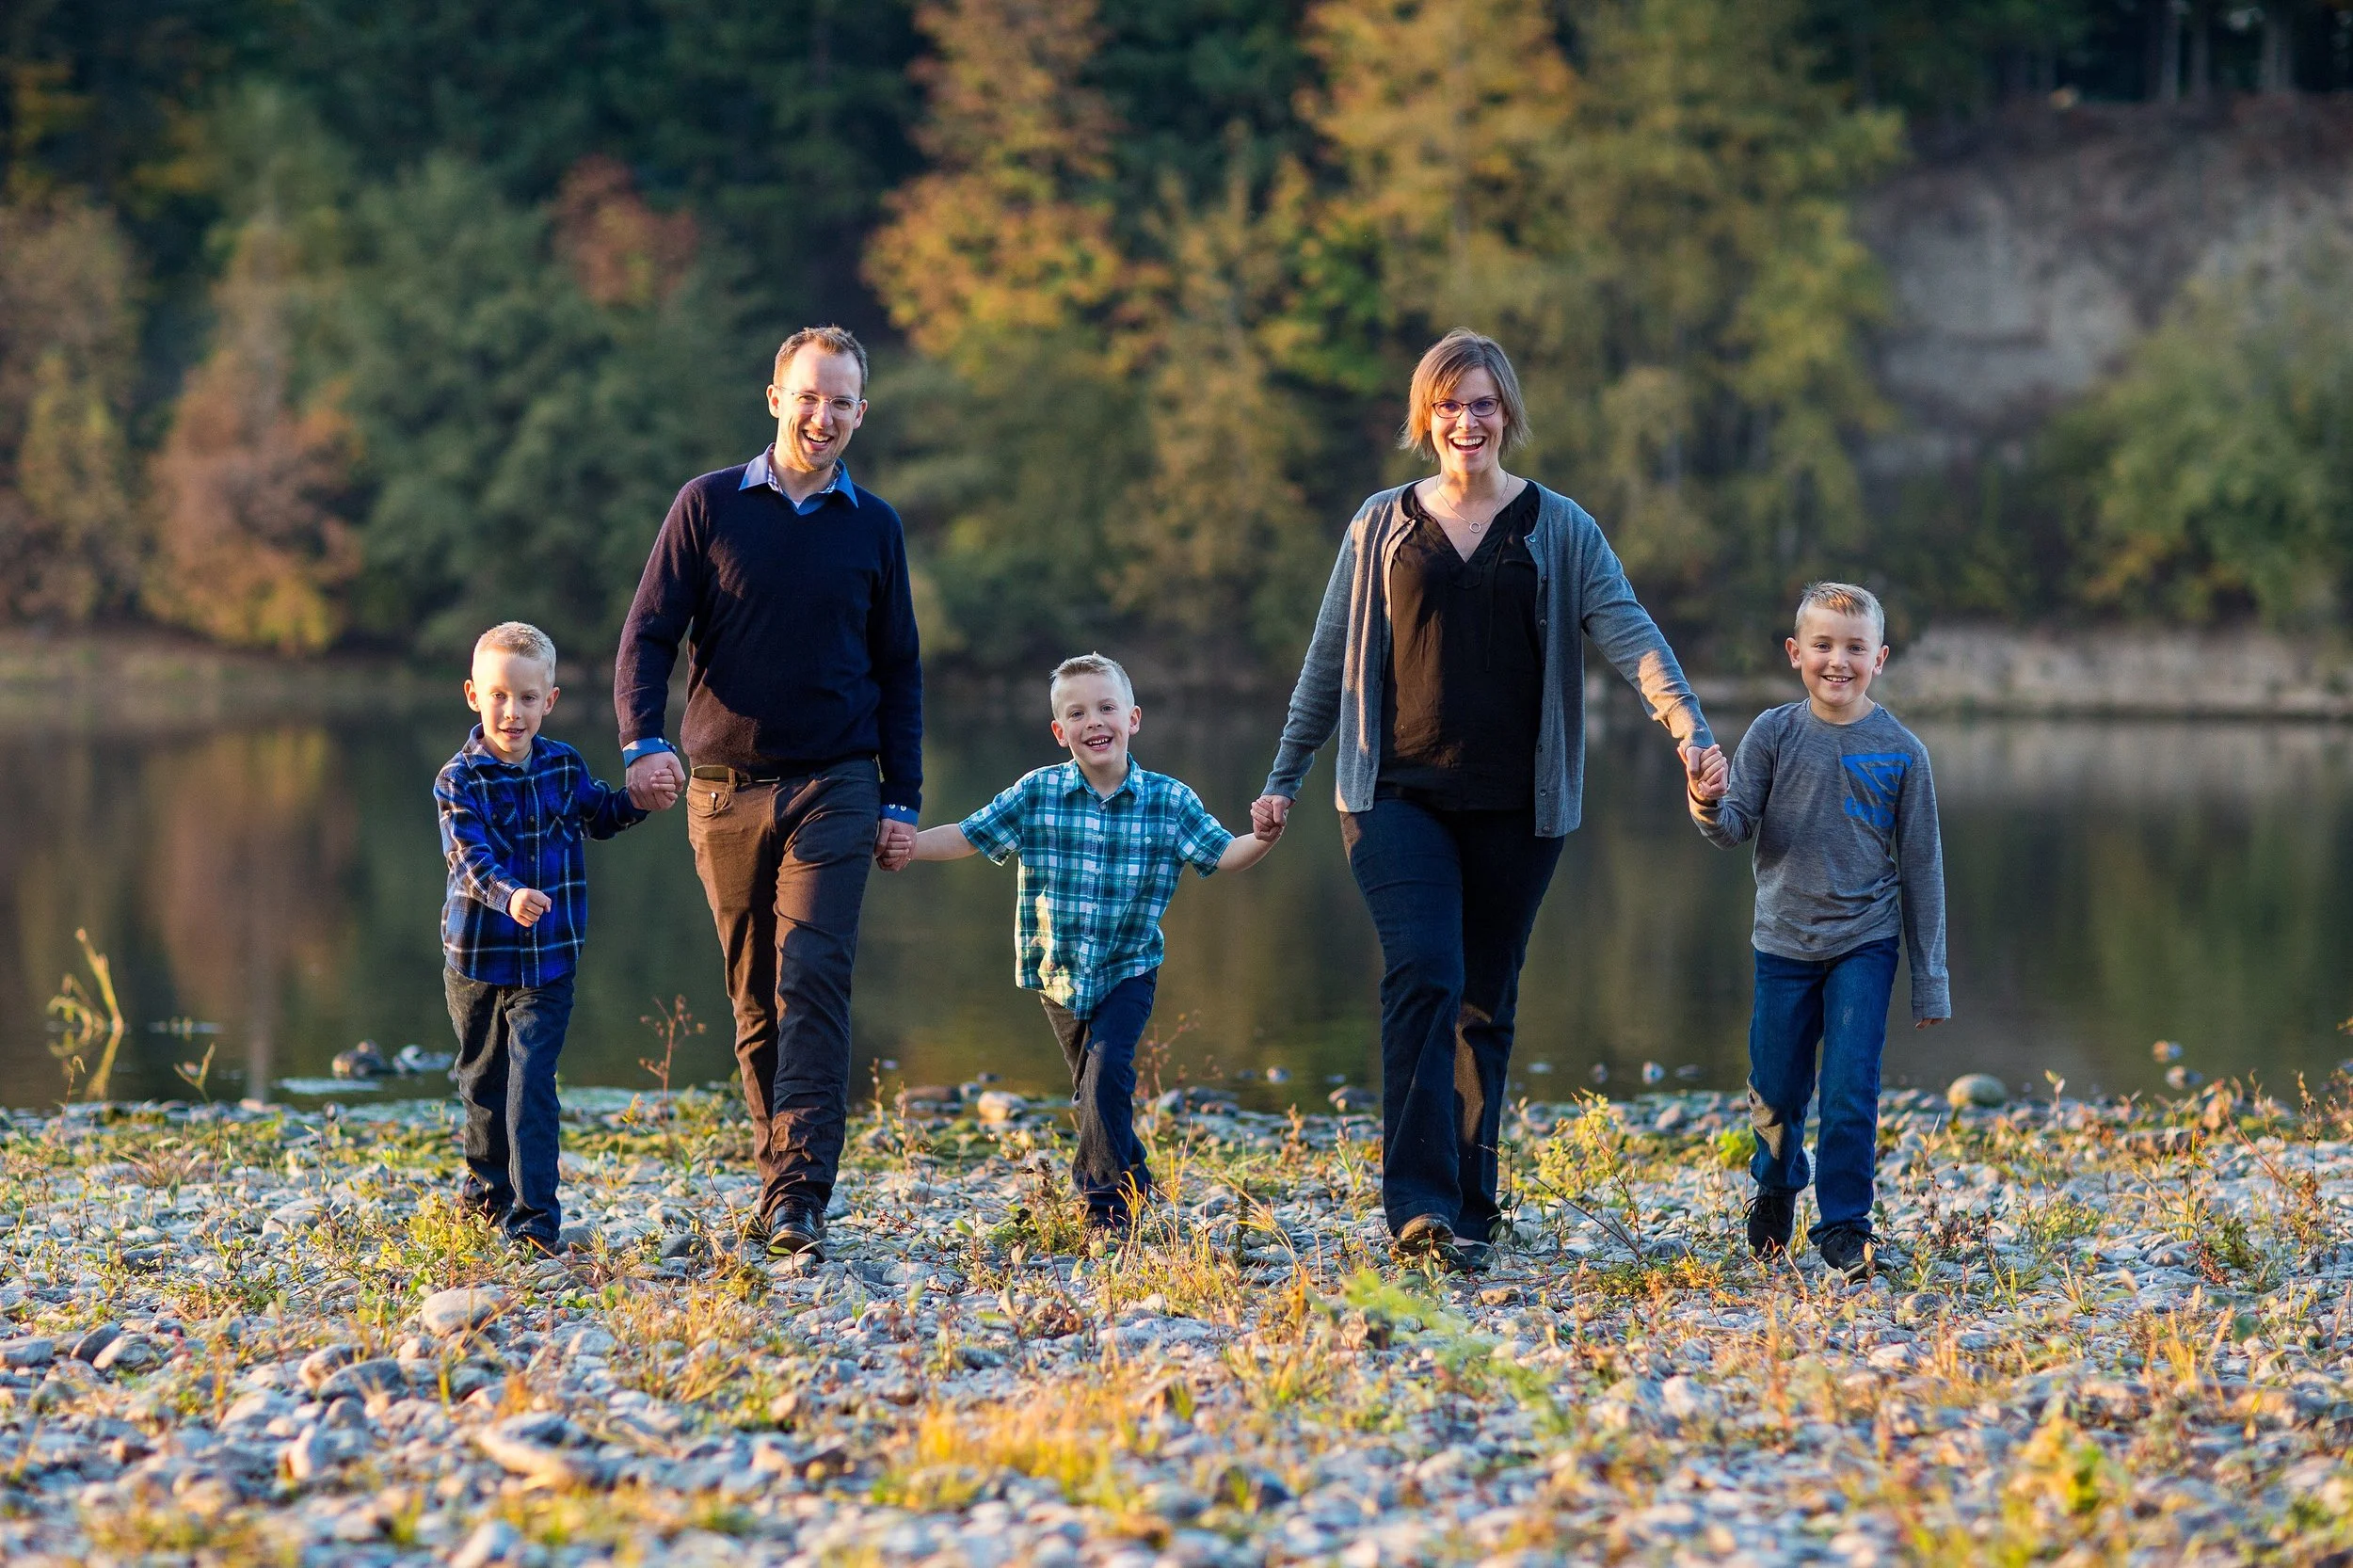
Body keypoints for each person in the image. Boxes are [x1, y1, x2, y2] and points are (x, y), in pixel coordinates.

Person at [1252, 328, 1721, 1272]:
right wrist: (1282, 775)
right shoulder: (1380, 523)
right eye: (1448, 403)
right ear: (1424, 417)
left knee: (1485, 1000)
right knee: (1422, 968)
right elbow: (1326, 663)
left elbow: (1630, 635)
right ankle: (1416, 1205)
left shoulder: (1560, 526)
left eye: (1482, 403)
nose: (1466, 420)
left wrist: (1691, 732)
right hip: (1391, 793)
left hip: (1519, 803)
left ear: (1507, 413)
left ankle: (1471, 1202)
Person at [615, 325, 922, 1260]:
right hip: (722, 792)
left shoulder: (874, 524)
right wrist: (641, 741)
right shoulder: (707, 506)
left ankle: (799, 1197)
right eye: (808, 396)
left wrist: (900, 798)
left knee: (813, 982)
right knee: (754, 999)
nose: (822, 416)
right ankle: (775, 1167)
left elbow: (899, 667)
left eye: (841, 402)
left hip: (837, 784)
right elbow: (648, 634)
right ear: (775, 397)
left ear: (860, 414)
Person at [903, 653, 1278, 1228]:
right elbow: (969, 836)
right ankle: (1137, 1176)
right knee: (1093, 1093)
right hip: (1058, 974)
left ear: (1134, 719)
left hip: (1129, 968)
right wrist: (907, 845)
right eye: (1077, 713)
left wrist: (1263, 837)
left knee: (1105, 1078)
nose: (1093, 721)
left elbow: (1225, 855)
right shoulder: (1037, 794)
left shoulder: (1169, 801)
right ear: (1060, 732)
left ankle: (1104, 1209)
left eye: (1106, 707)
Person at [1688, 581, 1948, 1281]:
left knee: (1849, 1090)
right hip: (1782, 944)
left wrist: (1931, 979)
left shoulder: (1902, 752)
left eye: (1855, 648)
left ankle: (1844, 1228)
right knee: (1775, 1087)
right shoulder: (1774, 733)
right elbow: (1733, 828)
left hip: (1865, 942)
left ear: (1880, 659)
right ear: (1795, 653)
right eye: (1824, 646)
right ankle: (1775, 1187)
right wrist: (1707, 798)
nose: (1839, 661)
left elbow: (1922, 869)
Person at [436, 621, 647, 1255]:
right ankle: (486, 1191)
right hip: (477, 956)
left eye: (528, 699)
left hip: (550, 959)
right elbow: (468, 861)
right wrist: (509, 897)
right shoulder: (458, 779)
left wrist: (640, 799)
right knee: (482, 1079)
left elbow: (600, 814)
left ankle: (535, 1224)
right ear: (474, 695)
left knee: (532, 1085)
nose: (513, 712)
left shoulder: (563, 766)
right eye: (500, 696)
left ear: (549, 701)